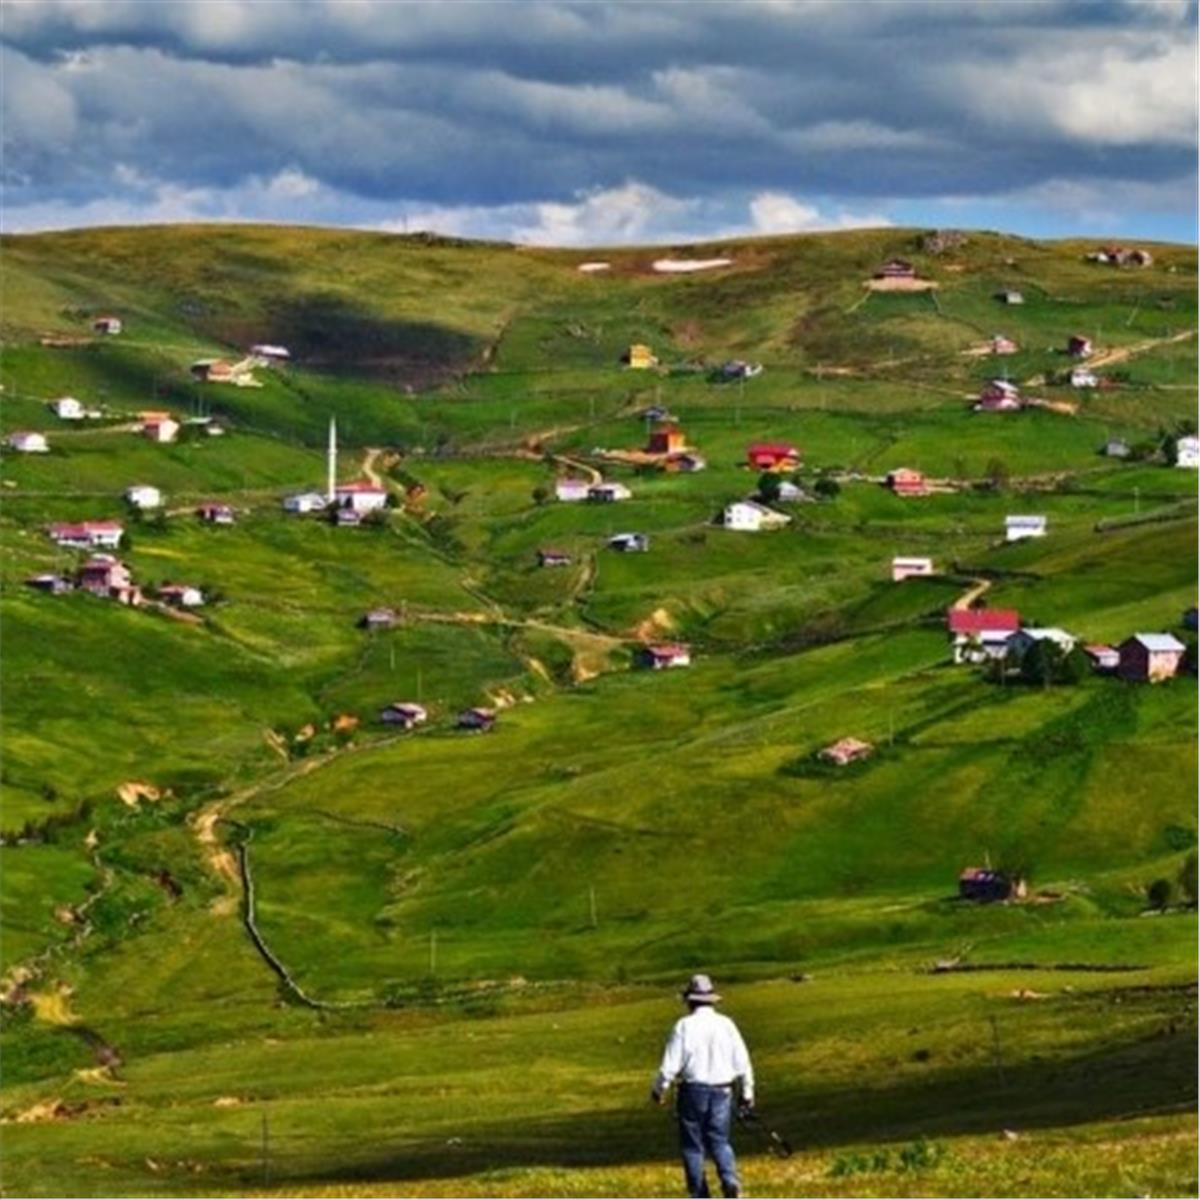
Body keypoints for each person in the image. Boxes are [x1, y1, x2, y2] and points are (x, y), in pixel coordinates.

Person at [650, 974, 754, 1199]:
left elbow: (670, 1065)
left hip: (693, 1091)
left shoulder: (684, 1026)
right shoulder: (727, 1025)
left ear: (690, 1000)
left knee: (692, 1145)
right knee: (719, 1140)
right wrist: (747, 1092)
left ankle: (699, 1193)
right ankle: (729, 1180)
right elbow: (743, 1062)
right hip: (722, 1089)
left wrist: (659, 1089)